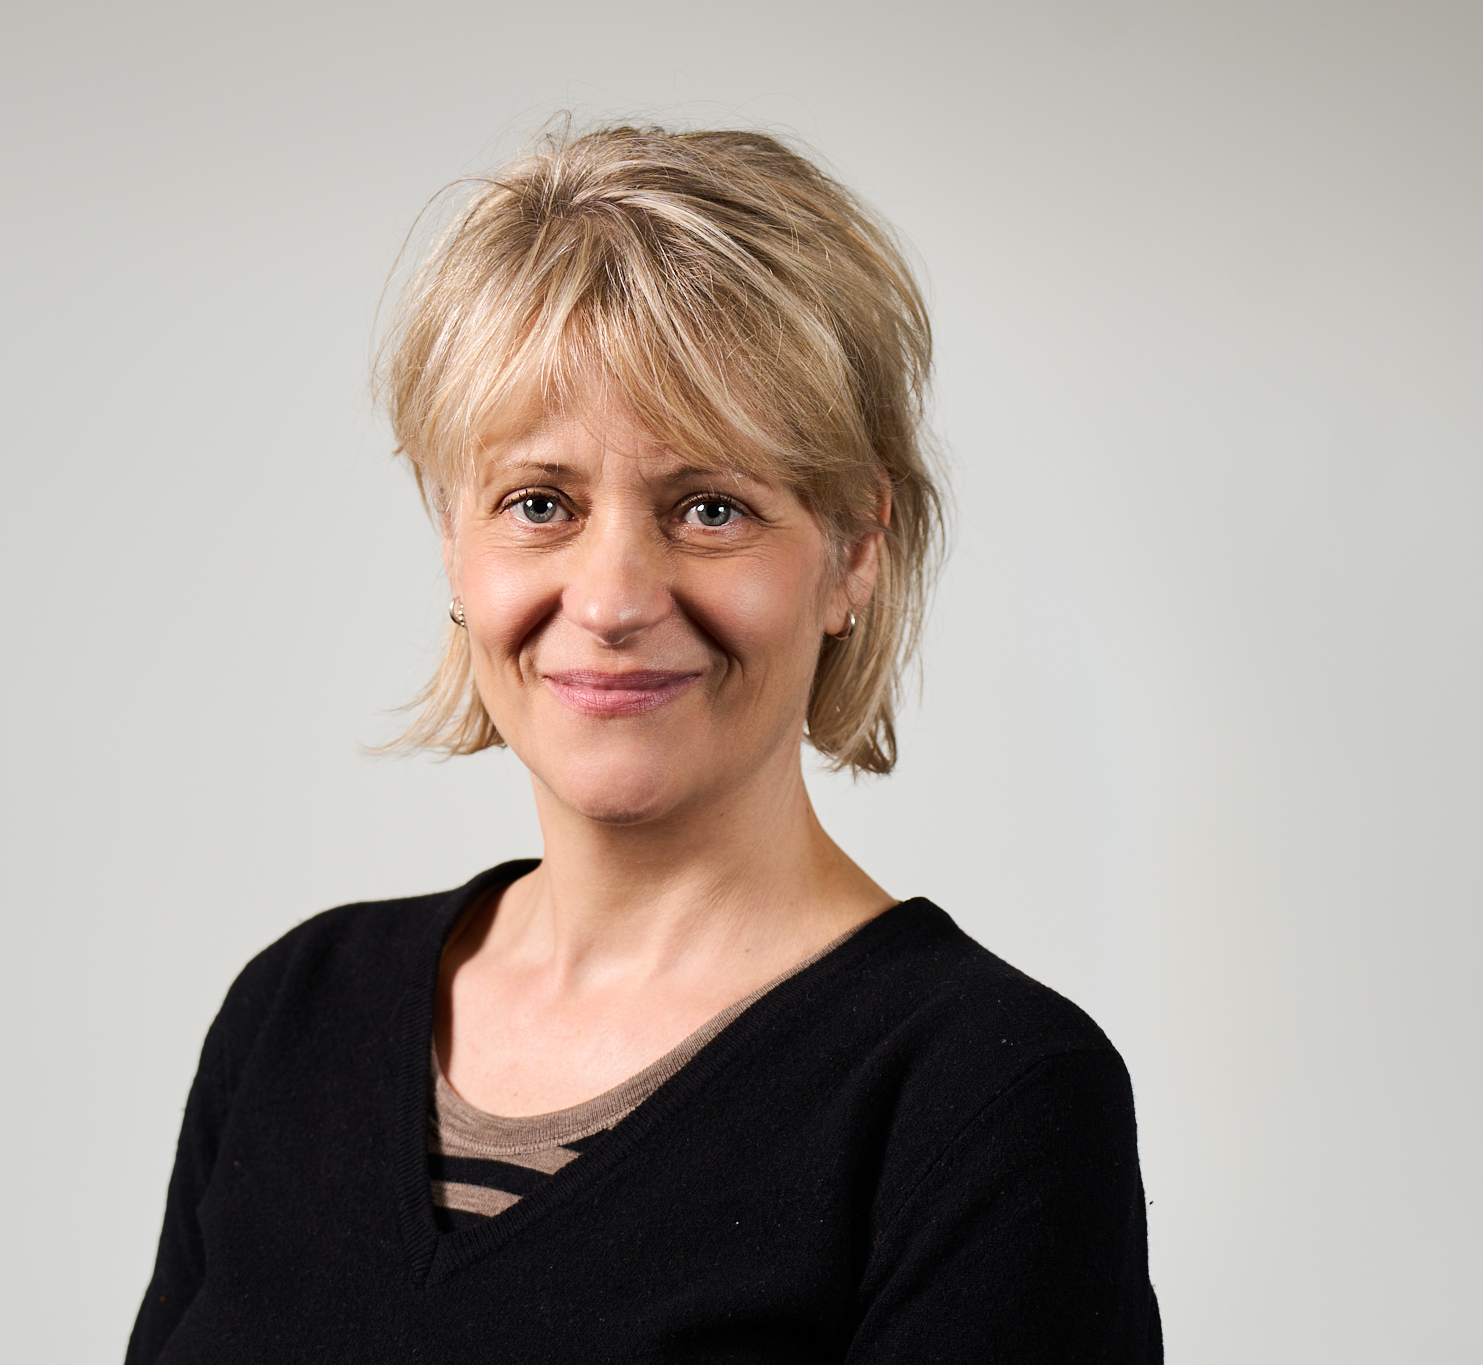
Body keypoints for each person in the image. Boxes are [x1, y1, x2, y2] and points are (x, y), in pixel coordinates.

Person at [126, 123, 1160, 1363]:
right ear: (453, 539)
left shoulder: (987, 1098)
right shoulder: (295, 1017)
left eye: (709, 508)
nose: (612, 600)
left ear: (853, 551)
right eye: (539, 503)